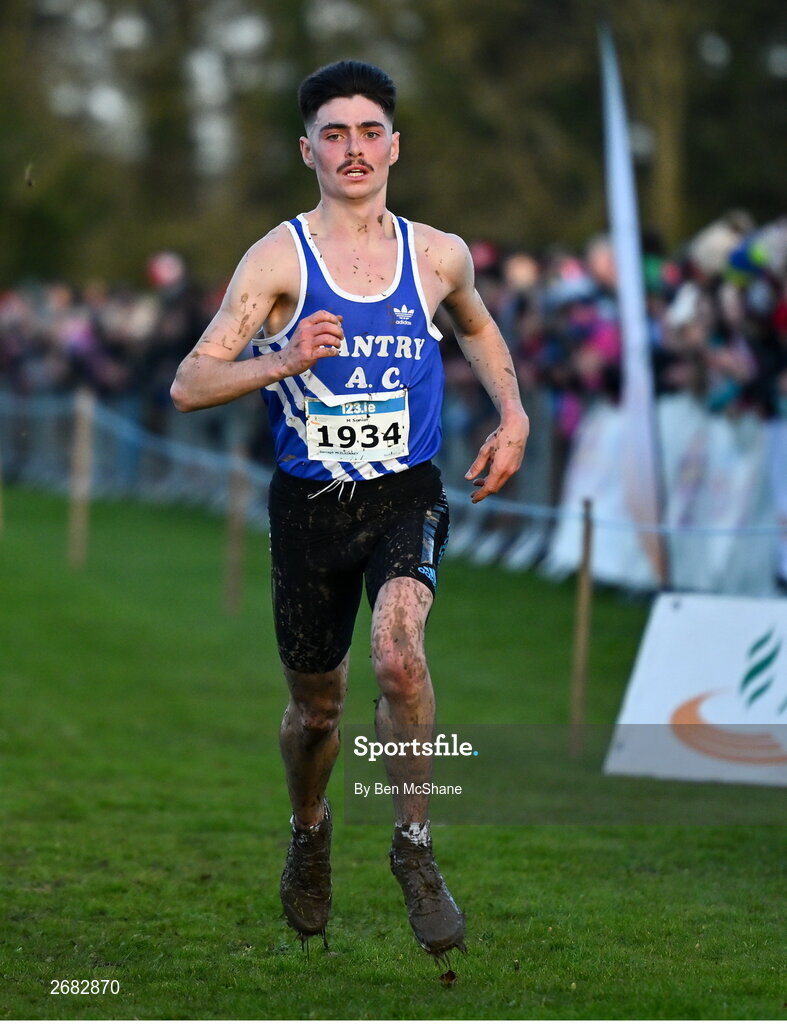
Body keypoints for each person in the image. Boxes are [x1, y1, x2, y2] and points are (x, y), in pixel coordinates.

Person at [170, 60, 528, 959]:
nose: (354, 149)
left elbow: (477, 326)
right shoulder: (278, 257)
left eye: (369, 132)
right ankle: (309, 831)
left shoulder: (438, 254)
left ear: (394, 145)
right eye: (335, 134)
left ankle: (413, 845)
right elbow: (190, 381)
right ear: (309, 151)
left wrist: (512, 413)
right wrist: (281, 360)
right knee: (316, 713)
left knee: (399, 658)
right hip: (308, 509)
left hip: (405, 490)